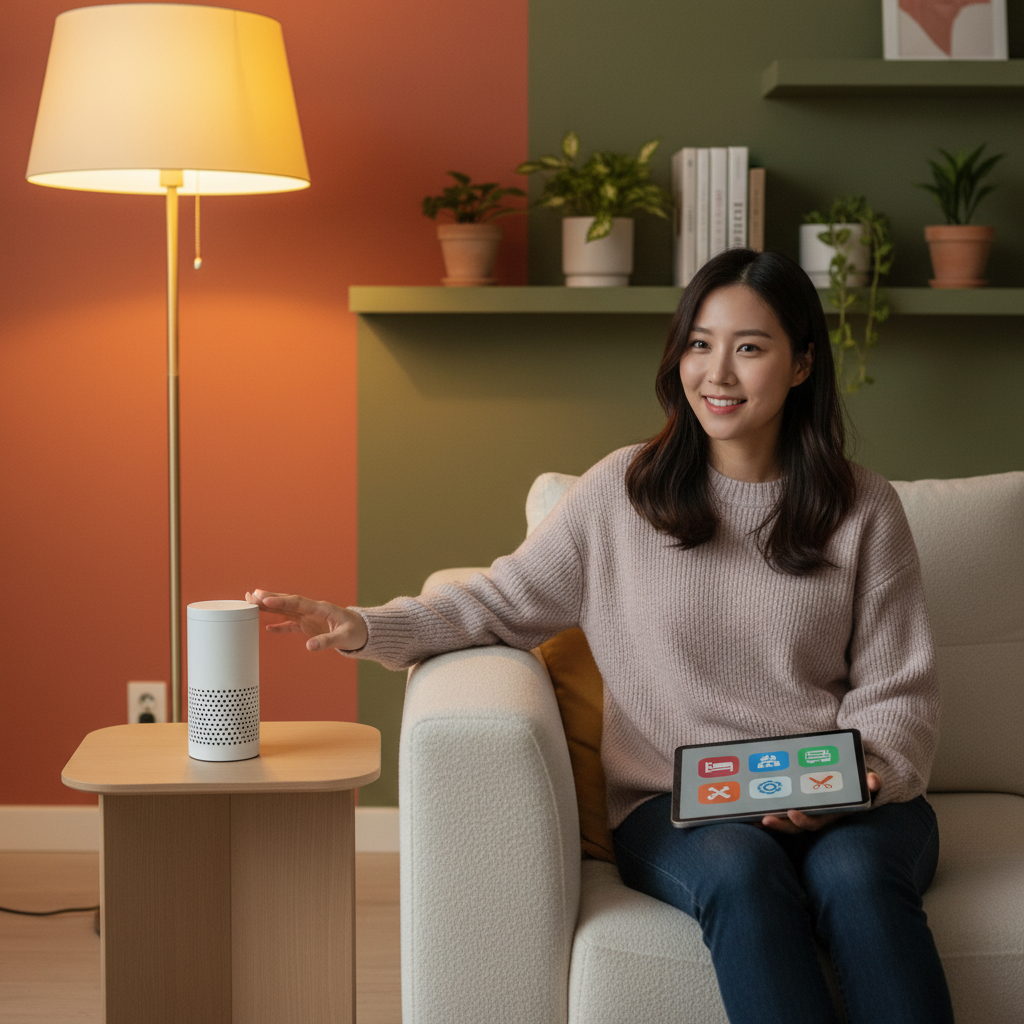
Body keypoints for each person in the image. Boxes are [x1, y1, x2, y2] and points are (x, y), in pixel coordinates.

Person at [246, 248, 953, 1024]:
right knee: (743, 873)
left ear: (801, 364)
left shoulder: (864, 506)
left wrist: (848, 791)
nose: (717, 373)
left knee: (854, 878)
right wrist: (363, 625)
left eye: (749, 347)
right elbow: (495, 602)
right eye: (699, 343)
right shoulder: (621, 493)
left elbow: (897, 687)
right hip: (680, 804)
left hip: (845, 791)